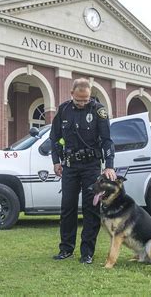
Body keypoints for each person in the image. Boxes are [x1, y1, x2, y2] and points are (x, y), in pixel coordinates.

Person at [50, 78, 116, 264]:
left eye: (85, 100)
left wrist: (109, 165)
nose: (82, 103)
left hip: (91, 166)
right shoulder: (63, 110)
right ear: (72, 94)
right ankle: (66, 249)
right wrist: (56, 161)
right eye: (79, 100)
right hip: (70, 166)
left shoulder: (98, 110)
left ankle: (87, 252)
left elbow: (107, 140)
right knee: (67, 208)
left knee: (91, 209)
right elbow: (54, 137)